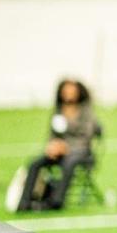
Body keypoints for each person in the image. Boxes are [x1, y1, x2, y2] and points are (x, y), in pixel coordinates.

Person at [18, 79, 99, 211]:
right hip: (59, 152)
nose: (68, 94)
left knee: (69, 162)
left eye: (72, 91)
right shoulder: (58, 110)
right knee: (34, 163)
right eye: (66, 91)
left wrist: (66, 147)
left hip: (81, 152)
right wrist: (52, 146)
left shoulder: (86, 111)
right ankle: (25, 201)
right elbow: (52, 134)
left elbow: (87, 136)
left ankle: (56, 201)